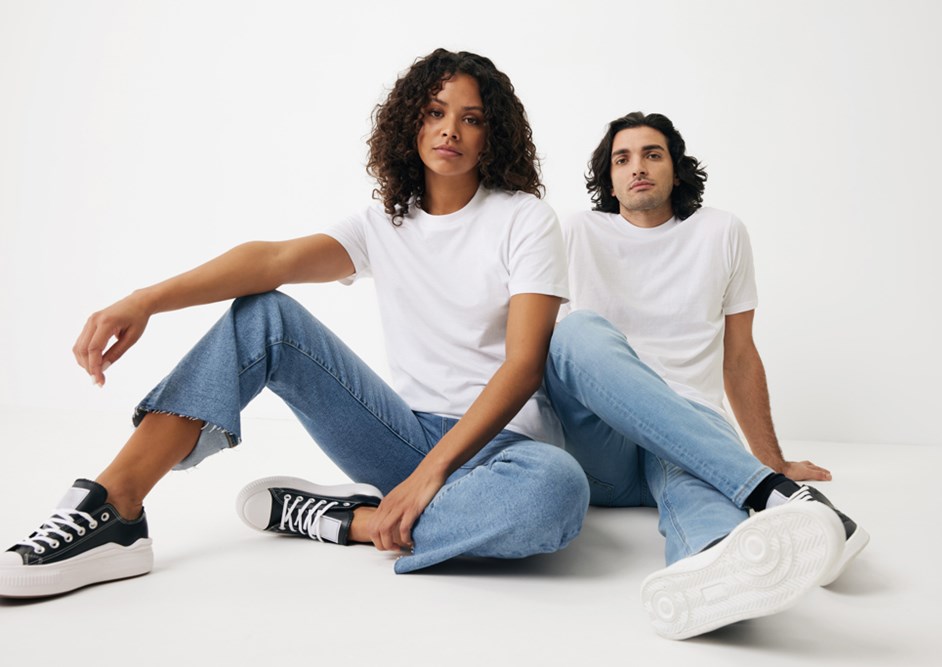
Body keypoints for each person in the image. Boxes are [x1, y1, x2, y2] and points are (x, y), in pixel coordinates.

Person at [0, 49, 590, 598]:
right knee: (266, 316)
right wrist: (145, 300)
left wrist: (431, 476)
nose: (450, 130)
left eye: (472, 119)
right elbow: (272, 260)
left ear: (492, 135)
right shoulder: (384, 224)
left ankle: (350, 521)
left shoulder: (524, 220)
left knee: (557, 493)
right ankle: (114, 511)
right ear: (411, 122)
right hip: (401, 439)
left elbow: (523, 366)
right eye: (435, 112)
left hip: (505, 450)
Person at [544, 112, 868, 639]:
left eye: (652, 154)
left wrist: (770, 453)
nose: (637, 167)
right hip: (601, 453)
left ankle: (715, 573)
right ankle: (771, 491)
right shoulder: (576, 232)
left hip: (690, 439)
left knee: (699, 488)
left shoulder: (721, 232)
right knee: (575, 332)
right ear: (609, 179)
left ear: (676, 169)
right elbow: (538, 348)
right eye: (622, 159)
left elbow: (739, 356)